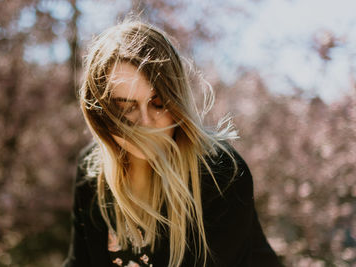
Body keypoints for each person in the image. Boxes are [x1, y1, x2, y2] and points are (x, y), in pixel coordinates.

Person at [63, 19, 282, 267]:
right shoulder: (92, 171)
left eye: (158, 103)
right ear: (100, 114)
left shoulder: (221, 175)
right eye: (126, 108)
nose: (146, 123)